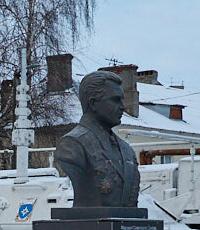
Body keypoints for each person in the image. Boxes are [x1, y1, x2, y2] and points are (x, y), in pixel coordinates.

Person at [54, 71, 139, 208]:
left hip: (124, 224)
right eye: (115, 100)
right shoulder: (72, 145)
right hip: (89, 226)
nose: (123, 106)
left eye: (122, 100)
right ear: (93, 103)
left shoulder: (126, 150)